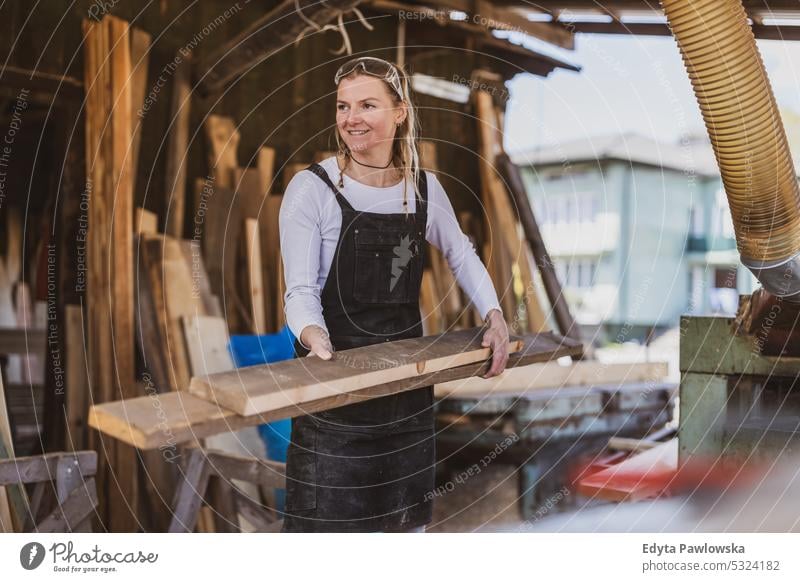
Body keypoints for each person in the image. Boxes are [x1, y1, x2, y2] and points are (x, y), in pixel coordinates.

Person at [279, 56, 509, 533]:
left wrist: (495, 314)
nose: (351, 118)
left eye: (367, 104)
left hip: (407, 400)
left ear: (400, 112)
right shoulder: (311, 189)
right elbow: (298, 291)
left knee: (405, 536)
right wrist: (313, 335)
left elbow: (462, 255)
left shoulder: (424, 190)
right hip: (334, 398)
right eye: (343, 106)